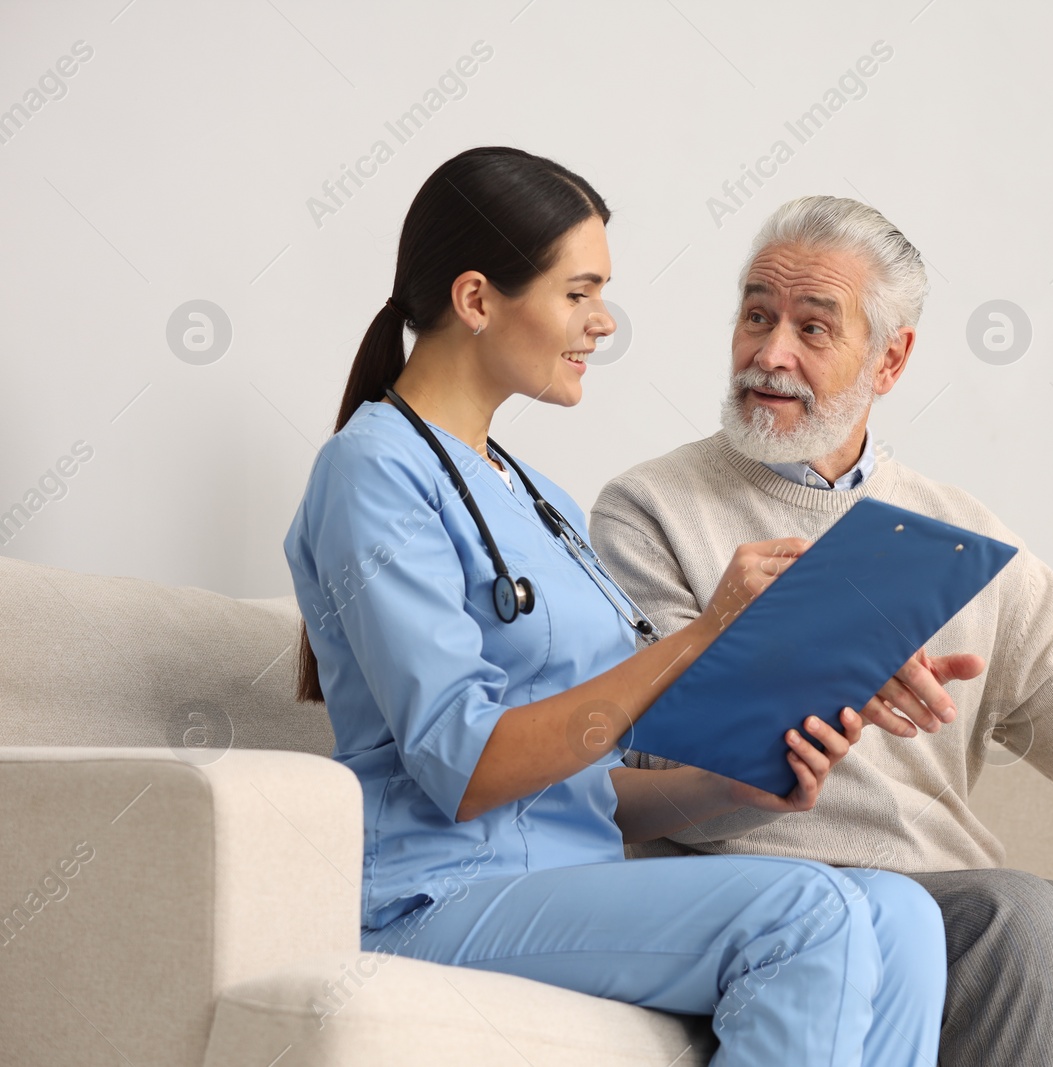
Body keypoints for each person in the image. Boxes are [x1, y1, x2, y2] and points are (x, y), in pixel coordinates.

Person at [589, 195, 1053, 1066]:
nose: (769, 353)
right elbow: (653, 766)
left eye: (813, 328)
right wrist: (823, 660)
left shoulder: (965, 537)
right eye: (757, 315)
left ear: (891, 359)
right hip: (770, 891)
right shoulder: (648, 510)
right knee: (1012, 909)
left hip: (950, 892)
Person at [282, 151, 946, 1067]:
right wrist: (710, 630)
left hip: (567, 883)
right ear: (477, 299)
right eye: (580, 292)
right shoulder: (373, 472)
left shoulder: (534, 494)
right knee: (805, 912)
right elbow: (466, 768)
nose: (603, 322)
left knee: (903, 912)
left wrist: (732, 790)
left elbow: (584, 791)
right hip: (436, 896)